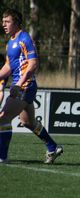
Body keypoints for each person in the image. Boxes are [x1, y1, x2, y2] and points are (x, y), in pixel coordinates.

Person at [0, 9, 63, 164]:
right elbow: (8, 66)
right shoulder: (10, 42)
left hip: (25, 85)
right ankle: (53, 147)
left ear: (16, 22)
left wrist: (19, 84)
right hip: (23, 86)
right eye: (3, 21)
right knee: (28, 122)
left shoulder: (24, 38)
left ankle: (2, 157)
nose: (3, 24)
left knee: (3, 119)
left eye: (7, 21)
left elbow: (33, 63)